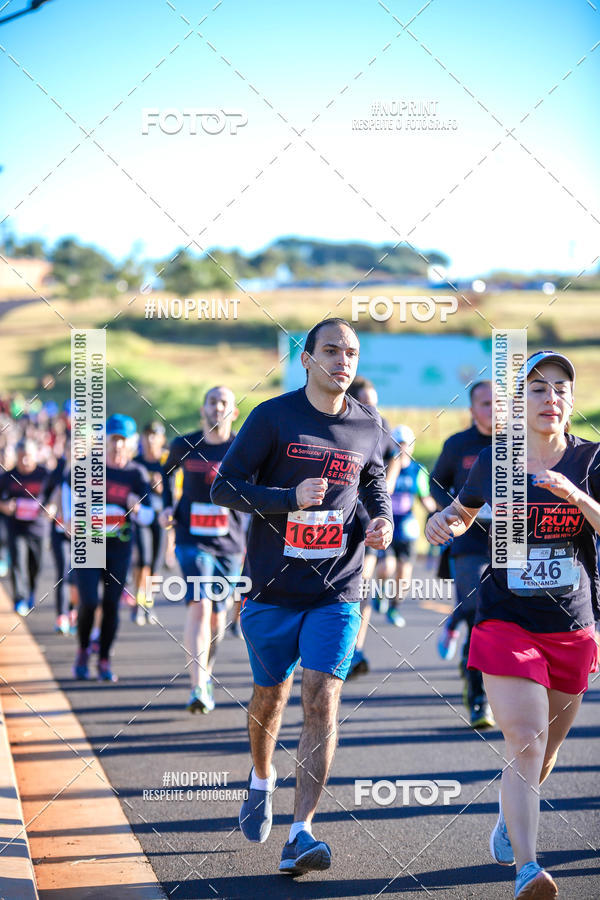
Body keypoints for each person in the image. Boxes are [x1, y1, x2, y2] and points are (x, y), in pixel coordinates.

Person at [211, 318, 393, 876]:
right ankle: (261, 778)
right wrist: (288, 497)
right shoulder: (273, 416)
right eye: (332, 350)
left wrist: (380, 519)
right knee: (271, 696)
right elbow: (225, 486)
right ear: (308, 359)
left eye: (352, 352)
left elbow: (373, 479)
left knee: (322, 698)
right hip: (272, 587)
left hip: (337, 587)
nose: (343, 360)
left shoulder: (368, 424)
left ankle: (301, 833)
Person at [426, 351, 600, 899]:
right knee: (525, 739)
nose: (551, 398)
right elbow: (463, 511)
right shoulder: (495, 460)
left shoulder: (592, 460)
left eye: (560, 389)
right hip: (506, 618)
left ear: (571, 401)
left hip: (572, 622)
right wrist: (442, 521)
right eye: (538, 389)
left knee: (547, 750)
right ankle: (528, 867)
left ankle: (509, 816)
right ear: (518, 403)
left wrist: (576, 497)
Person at [160, 386, 246, 714]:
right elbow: (164, 475)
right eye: (212, 401)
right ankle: (197, 685)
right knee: (200, 603)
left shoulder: (242, 447)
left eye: (224, 402)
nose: (217, 407)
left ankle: (206, 674)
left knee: (218, 616)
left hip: (230, 542)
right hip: (190, 538)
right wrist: (168, 506)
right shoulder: (184, 445)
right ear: (203, 409)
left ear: (233, 412)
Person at [65, 414, 154, 682]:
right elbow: (66, 487)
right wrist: (71, 515)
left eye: (122, 440)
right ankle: (82, 651)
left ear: (131, 444)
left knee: (112, 605)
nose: (117, 446)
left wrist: (136, 507)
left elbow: (149, 516)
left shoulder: (136, 474)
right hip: (89, 543)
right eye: (113, 439)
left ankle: (103, 659)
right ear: (104, 441)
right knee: (89, 601)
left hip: (120, 547)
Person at [430, 380, 495, 728]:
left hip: (511, 543)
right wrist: (454, 512)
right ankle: (478, 698)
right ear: (472, 409)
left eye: (498, 403)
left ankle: (492, 678)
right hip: (468, 544)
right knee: (477, 613)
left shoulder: (519, 444)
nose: (493, 410)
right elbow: (435, 483)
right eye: (485, 404)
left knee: (504, 619)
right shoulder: (458, 445)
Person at [345, 377, 397, 677]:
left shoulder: (381, 426)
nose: (372, 410)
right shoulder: (341, 428)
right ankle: (340, 647)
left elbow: (382, 486)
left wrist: (400, 461)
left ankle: (354, 648)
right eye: (366, 404)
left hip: (369, 520)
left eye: (375, 404)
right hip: (337, 520)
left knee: (363, 586)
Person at [0, 438, 50, 616]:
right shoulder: (8, 476)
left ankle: (30, 592)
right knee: (17, 563)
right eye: (21, 457)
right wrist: (4, 506)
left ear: (35, 456)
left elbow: (55, 496)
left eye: (28, 457)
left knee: (35, 566)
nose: (25, 461)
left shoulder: (45, 474)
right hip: (16, 527)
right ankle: (19, 598)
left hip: (38, 528)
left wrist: (51, 507)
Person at [132, 422, 168, 625]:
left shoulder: (166, 463)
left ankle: (149, 602)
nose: (150, 440)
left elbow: (176, 493)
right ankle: (139, 603)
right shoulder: (135, 463)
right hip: (140, 518)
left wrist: (161, 487)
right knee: (143, 560)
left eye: (155, 436)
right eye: (147, 435)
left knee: (155, 563)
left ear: (162, 440)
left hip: (161, 517)